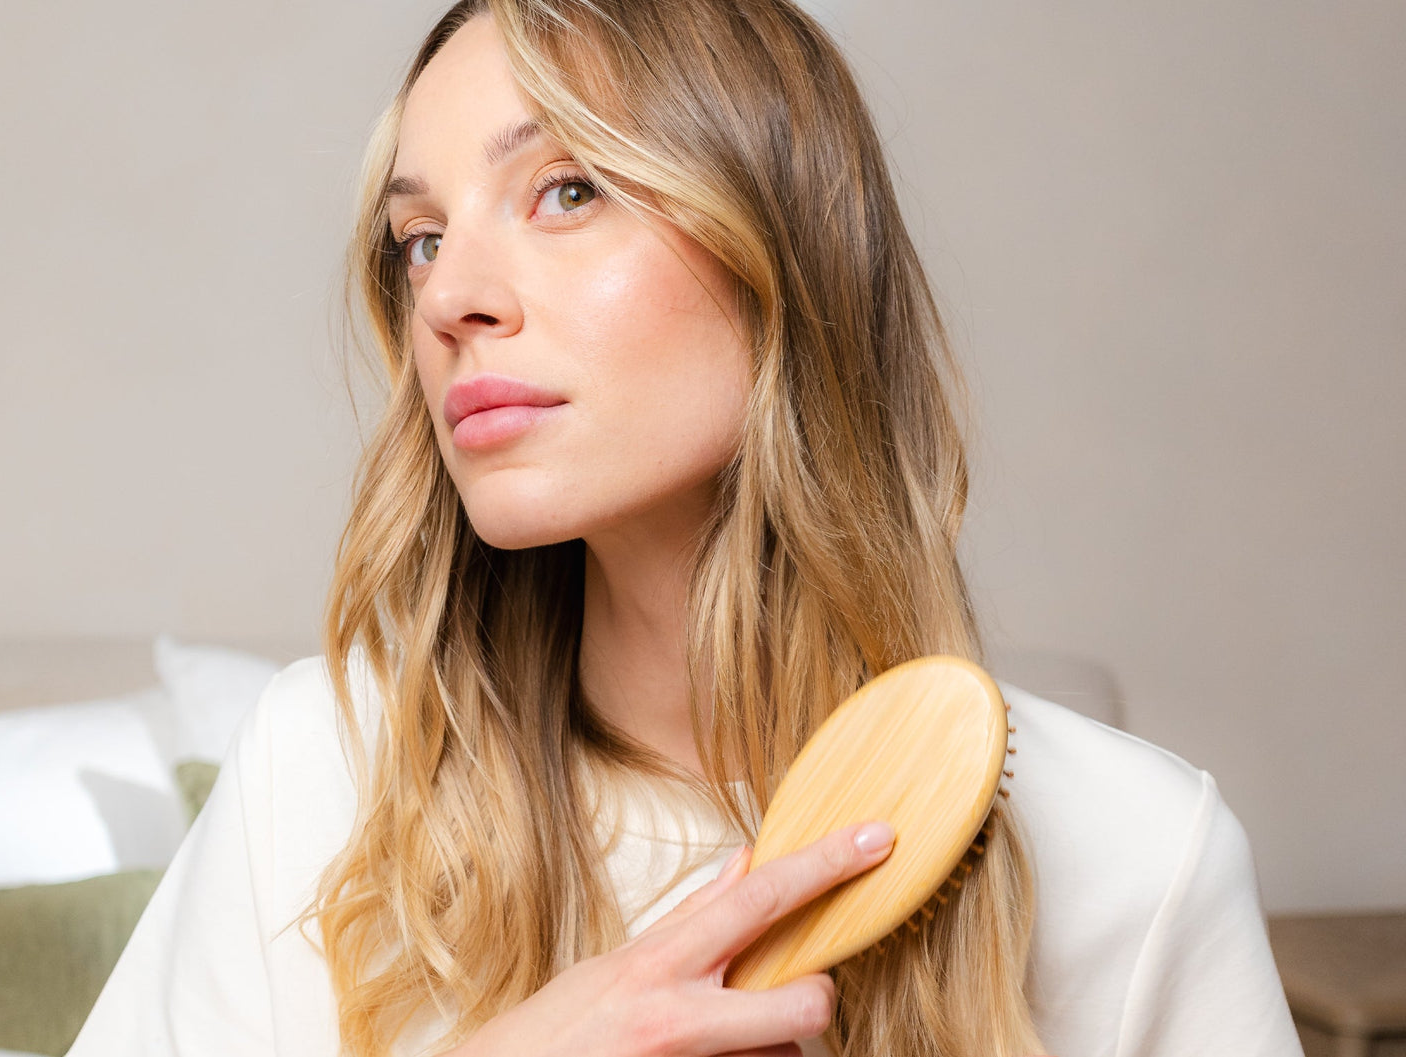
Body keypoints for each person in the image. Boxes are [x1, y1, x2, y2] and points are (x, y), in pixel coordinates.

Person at [68, 1, 1304, 1054]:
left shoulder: (1138, 851)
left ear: (782, 252)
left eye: (565, 189)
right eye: (421, 238)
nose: (446, 295)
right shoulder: (321, 769)